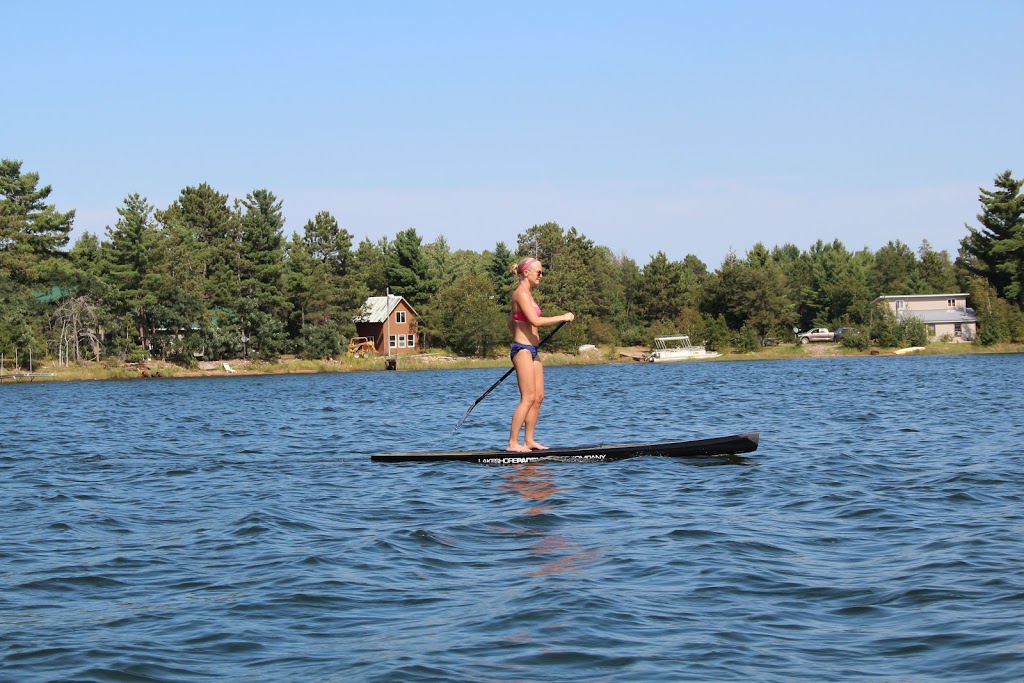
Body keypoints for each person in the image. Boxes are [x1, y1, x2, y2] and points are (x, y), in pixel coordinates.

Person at [507, 256, 574, 452]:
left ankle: (529, 440)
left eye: (542, 272)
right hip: (522, 350)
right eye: (539, 272)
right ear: (526, 273)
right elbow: (535, 321)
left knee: (538, 397)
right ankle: (513, 443)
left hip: (533, 350)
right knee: (527, 397)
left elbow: (511, 321)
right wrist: (563, 317)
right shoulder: (521, 293)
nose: (541, 275)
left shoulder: (528, 294)